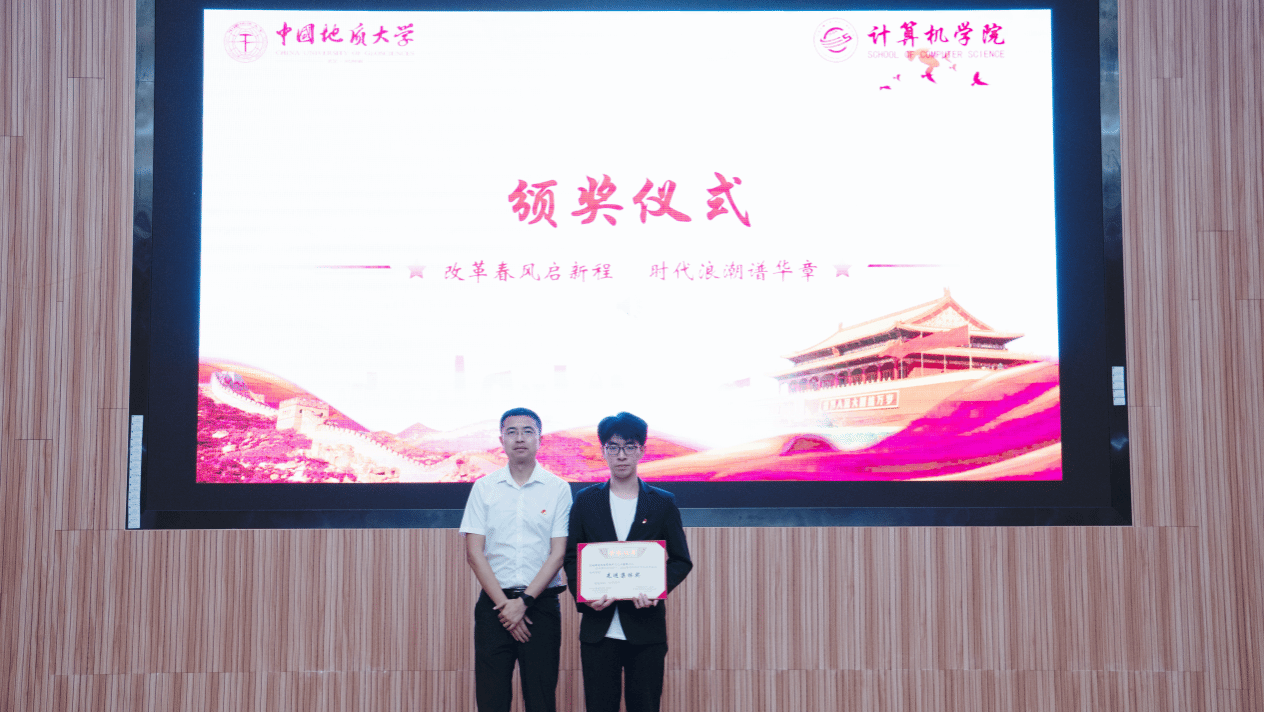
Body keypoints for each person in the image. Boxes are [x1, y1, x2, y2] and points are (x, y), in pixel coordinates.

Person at [564, 412, 693, 712]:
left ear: (642, 450)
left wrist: (657, 588)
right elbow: (571, 558)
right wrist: (585, 598)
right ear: (603, 451)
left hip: (646, 629)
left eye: (629, 447)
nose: (621, 455)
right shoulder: (585, 500)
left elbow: (681, 560)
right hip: (599, 629)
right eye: (613, 447)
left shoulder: (661, 502)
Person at [459, 407, 573, 712]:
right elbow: (474, 553)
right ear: (501, 440)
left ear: (540, 439)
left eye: (527, 431)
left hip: (541, 605)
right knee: (491, 699)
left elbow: (558, 553)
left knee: (541, 699)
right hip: (494, 607)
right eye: (512, 432)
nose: (519, 438)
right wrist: (506, 607)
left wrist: (523, 603)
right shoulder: (484, 488)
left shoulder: (558, 489)